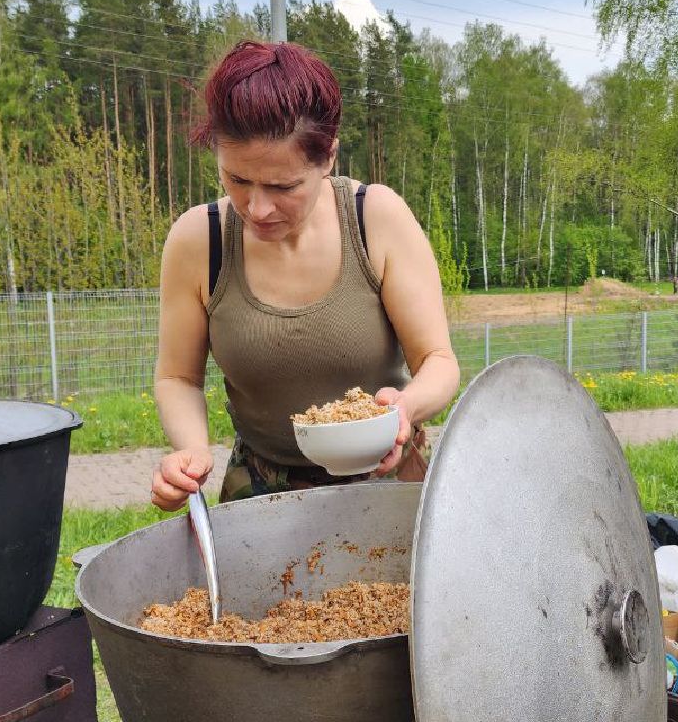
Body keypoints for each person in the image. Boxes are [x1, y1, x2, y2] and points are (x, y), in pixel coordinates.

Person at [150, 40, 460, 508]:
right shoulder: (200, 240)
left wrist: (405, 408)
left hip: (390, 473)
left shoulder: (375, 218)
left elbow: (438, 360)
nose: (257, 208)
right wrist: (191, 450)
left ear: (328, 156)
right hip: (260, 487)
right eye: (236, 179)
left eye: (283, 185)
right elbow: (178, 377)